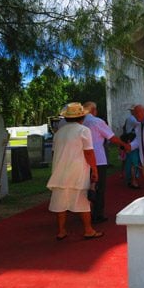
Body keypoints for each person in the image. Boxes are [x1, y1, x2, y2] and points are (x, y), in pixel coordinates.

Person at [46, 102, 103, 241]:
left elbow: (54, 154)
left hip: (60, 170)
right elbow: (89, 153)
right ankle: (88, 230)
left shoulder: (58, 133)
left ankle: (61, 231)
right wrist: (95, 170)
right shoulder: (83, 130)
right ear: (81, 117)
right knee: (82, 201)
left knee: (60, 202)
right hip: (77, 170)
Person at [82, 101, 130, 224]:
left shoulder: (80, 122)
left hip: (83, 160)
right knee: (99, 187)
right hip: (98, 159)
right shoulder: (97, 122)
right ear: (93, 110)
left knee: (86, 186)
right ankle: (97, 214)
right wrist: (124, 144)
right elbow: (111, 137)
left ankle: (86, 212)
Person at [122, 106, 141, 189]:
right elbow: (141, 124)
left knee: (130, 161)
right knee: (134, 162)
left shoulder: (130, 118)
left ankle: (130, 180)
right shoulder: (132, 119)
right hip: (132, 141)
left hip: (131, 141)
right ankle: (133, 181)